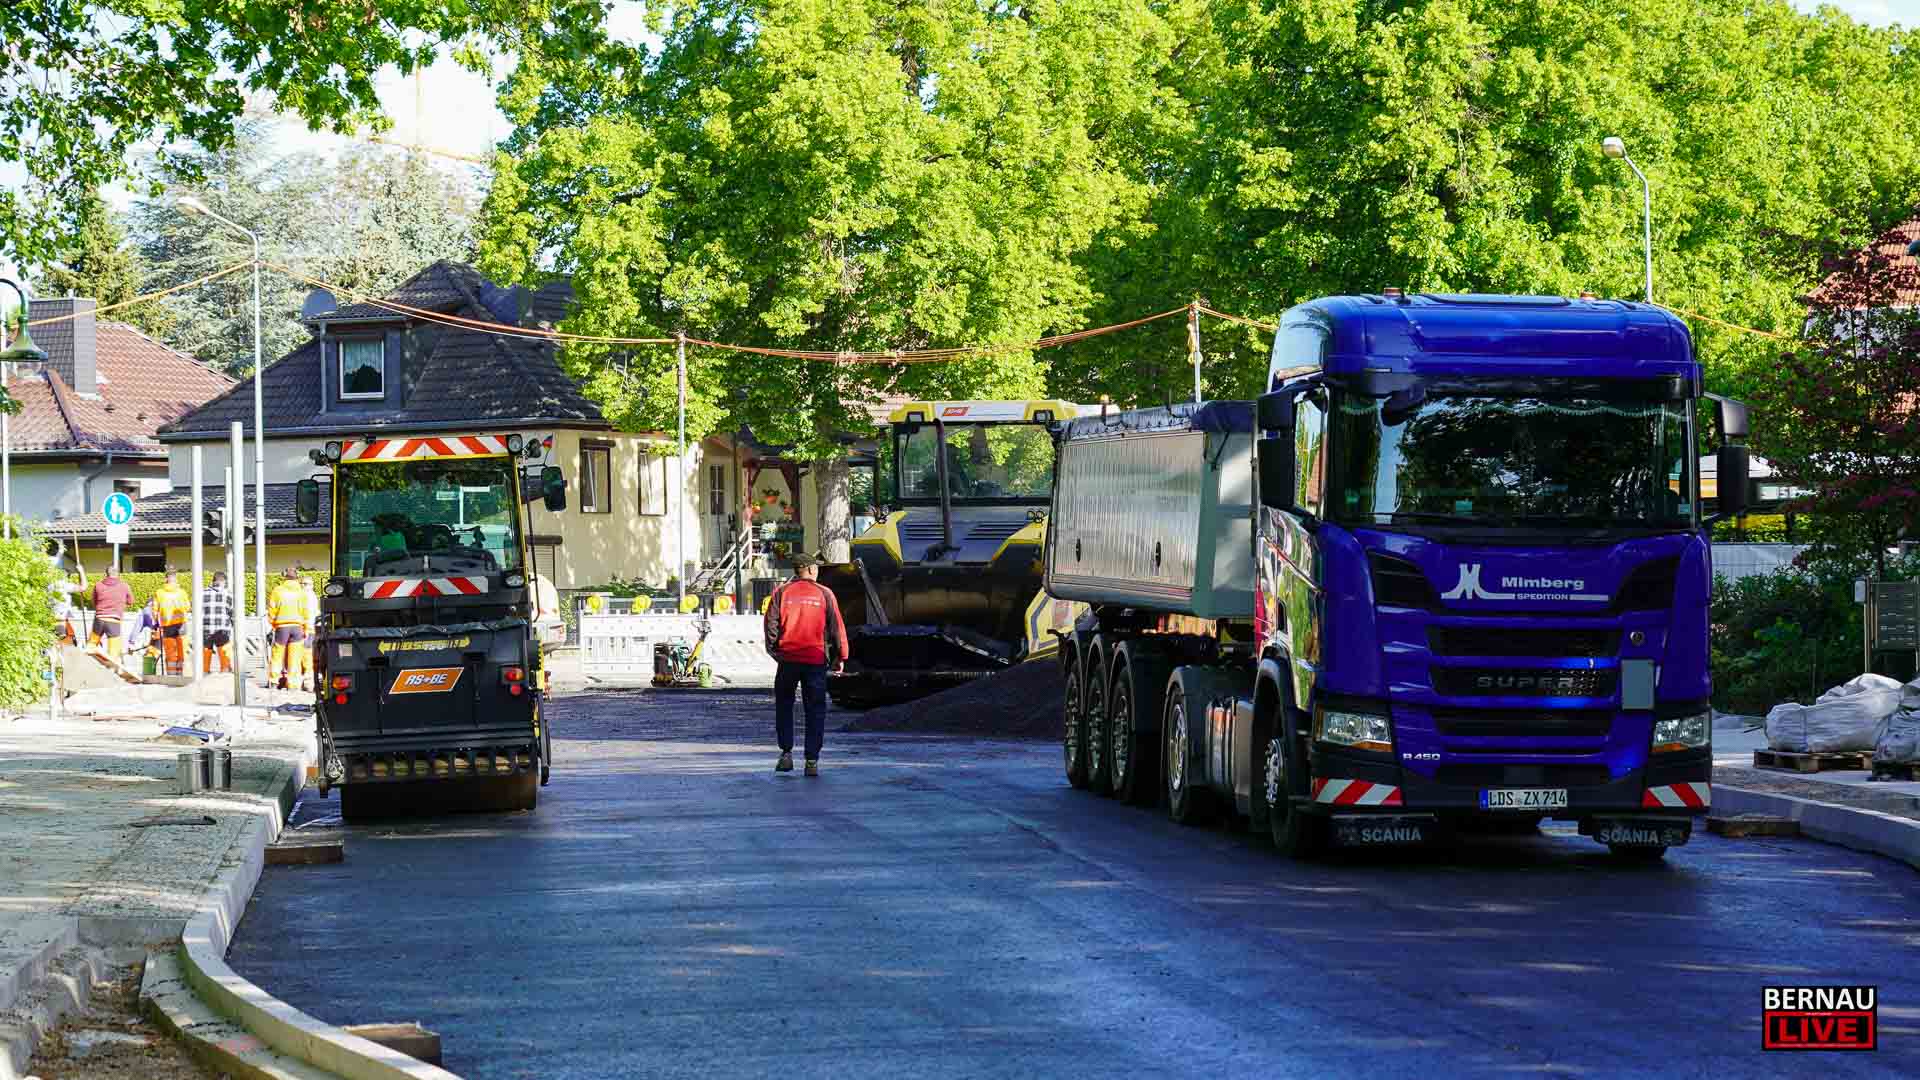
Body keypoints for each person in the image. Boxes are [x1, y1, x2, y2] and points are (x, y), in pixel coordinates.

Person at [762, 553, 849, 777]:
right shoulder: (825, 594)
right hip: (815, 660)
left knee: (784, 706)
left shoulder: (781, 593)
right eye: (817, 567)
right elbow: (836, 628)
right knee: (815, 710)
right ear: (810, 570)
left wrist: (777, 653)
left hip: (788, 661)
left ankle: (786, 754)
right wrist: (841, 656)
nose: (818, 570)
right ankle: (812, 761)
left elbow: (770, 625)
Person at [267, 567, 313, 691]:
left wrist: (273, 624)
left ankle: (274, 681)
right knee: (295, 656)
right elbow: (306, 612)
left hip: (282, 627)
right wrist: (306, 629)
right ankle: (293, 684)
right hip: (297, 628)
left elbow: (272, 609)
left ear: (284, 577)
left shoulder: (278, 591)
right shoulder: (301, 592)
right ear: (297, 578)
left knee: (277, 654)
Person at [89, 567, 134, 664]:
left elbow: (93, 601)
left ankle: (89, 664)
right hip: (114, 620)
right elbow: (131, 601)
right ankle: (112, 671)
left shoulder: (98, 585)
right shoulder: (124, 586)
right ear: (118, 574)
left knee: (91, 645)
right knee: (113, 651)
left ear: (106, 574)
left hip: (99, 619)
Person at [153, 570, 191, 676]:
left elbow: (155, 610)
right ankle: (181, 673)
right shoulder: (182, 592)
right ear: (176, 580)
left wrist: (156, 623)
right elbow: (188, 607)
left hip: (167, 625)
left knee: (170, 651)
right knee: (182, 650)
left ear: (166, 579)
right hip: (181, 624)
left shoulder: (159, 593)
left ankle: (171, 674)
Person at [201, 571, 233, 674]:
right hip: (223, 629)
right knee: (225, 656)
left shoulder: (202, 593)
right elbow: (233, 613)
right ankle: (225, 674)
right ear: (224, 581)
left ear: (213, 581)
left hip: (206, 629)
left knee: (205, 654)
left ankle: (204, 674)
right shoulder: (228, 594)